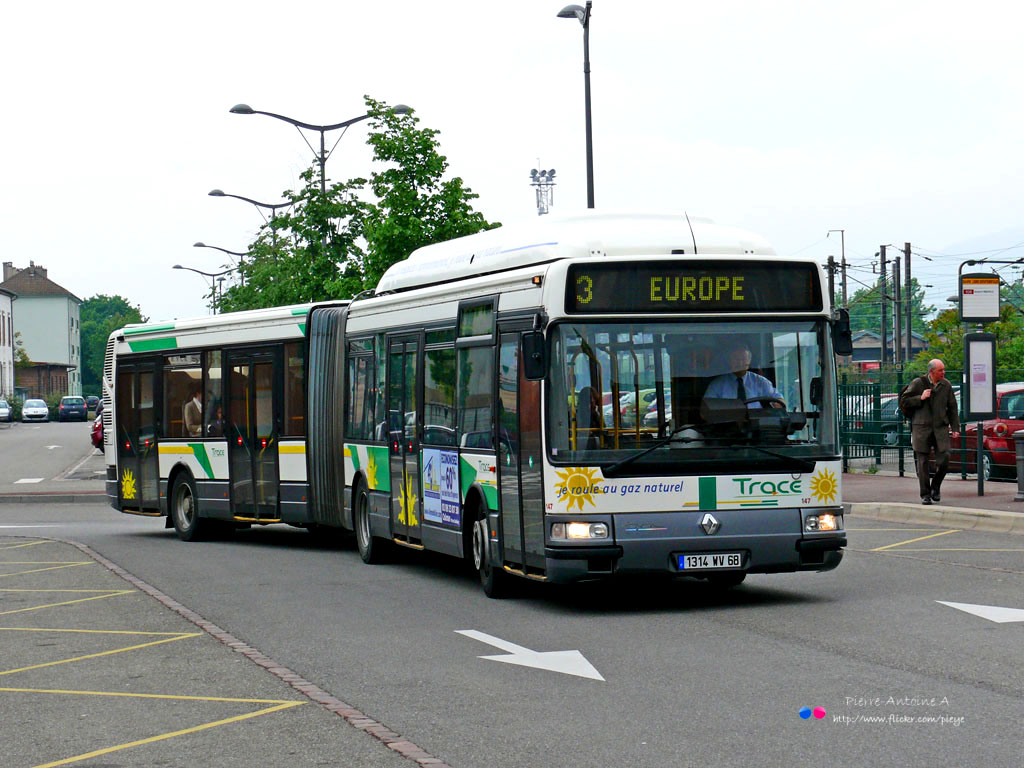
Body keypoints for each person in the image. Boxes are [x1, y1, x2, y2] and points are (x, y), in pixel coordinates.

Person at [901, 358, 960, 505]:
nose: (943, 373)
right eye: (941, 370)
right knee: (922, 462)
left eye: (944, 370)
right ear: (932, 372)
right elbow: (904, 400)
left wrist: (955, 427)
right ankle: (925, 494)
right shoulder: (918, 383)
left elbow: (953, 407)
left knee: (945, 457)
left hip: (940, 428)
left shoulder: (946, 385)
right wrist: (920, 398)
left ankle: (936, 487)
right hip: (921, 428)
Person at [703, 342, 783, 408]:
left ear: (749, 361)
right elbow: (705, 410)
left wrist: (778, 404)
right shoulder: (717, 385)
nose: (740, 363)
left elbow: (779, 400)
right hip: (727, 425)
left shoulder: (761, 382)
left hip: (757, 425)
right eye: (736, 359)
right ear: (729, 361)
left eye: (743, 359)